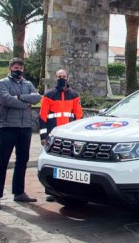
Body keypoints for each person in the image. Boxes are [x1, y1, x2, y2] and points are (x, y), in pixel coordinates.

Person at [0, 57, 42, 210]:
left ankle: (19, 192)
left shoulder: (27, 84)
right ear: (10, 68)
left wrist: (19, 97)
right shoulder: (3, 83)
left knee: (22, 160)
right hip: (7, 126)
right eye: (15, 67)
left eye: (20, 67)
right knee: (2, 162)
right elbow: (6, 100)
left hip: (25, 127)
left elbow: (37, 97)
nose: (18, 69)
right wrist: (25, 103)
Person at [38, 69, 84, 201]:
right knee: (53, 164)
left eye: (63, 76)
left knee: (68, 166)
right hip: (54, 135)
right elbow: (42, 117)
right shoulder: (48, 95)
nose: (61, 79)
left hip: (70, 136)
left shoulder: (74, 95)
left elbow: (79, 116)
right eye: (59, 76)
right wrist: (43, 137)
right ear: (55, 78)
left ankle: (68, 191)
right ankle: (52, 192)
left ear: (67, 78)